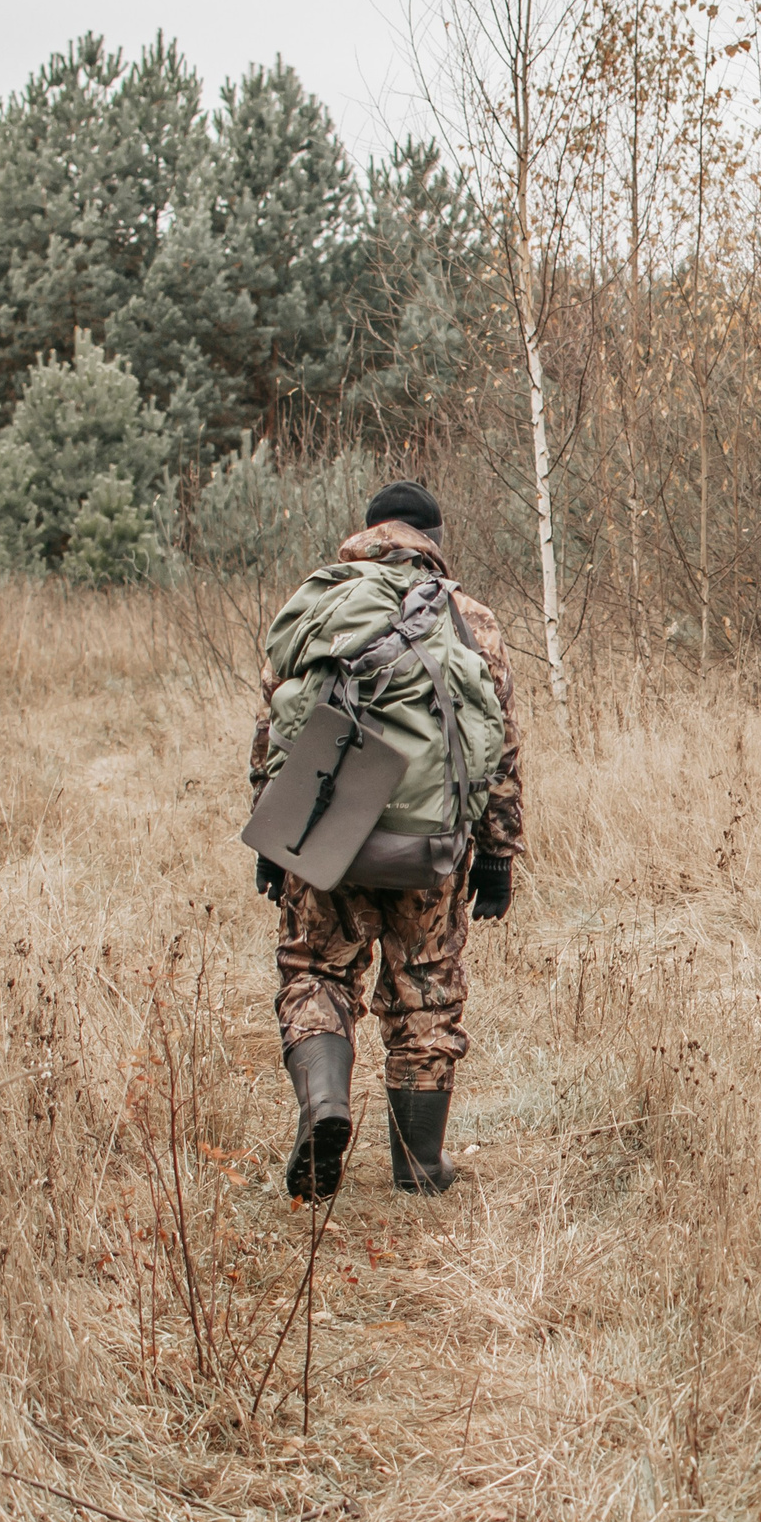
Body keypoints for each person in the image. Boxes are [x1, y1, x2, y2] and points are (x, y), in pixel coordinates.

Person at [251, 481, 523, 1198]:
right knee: (426, 993)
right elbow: (499, 746)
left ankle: (327, 1106)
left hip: (327, 830)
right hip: (427, 842)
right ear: (434, 538)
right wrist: (496, 851)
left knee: (315, 971)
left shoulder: (322, 602)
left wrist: (272, 834)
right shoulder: (472, 620)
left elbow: (275, 722)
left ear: (369, 533)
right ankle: (419, 1166)